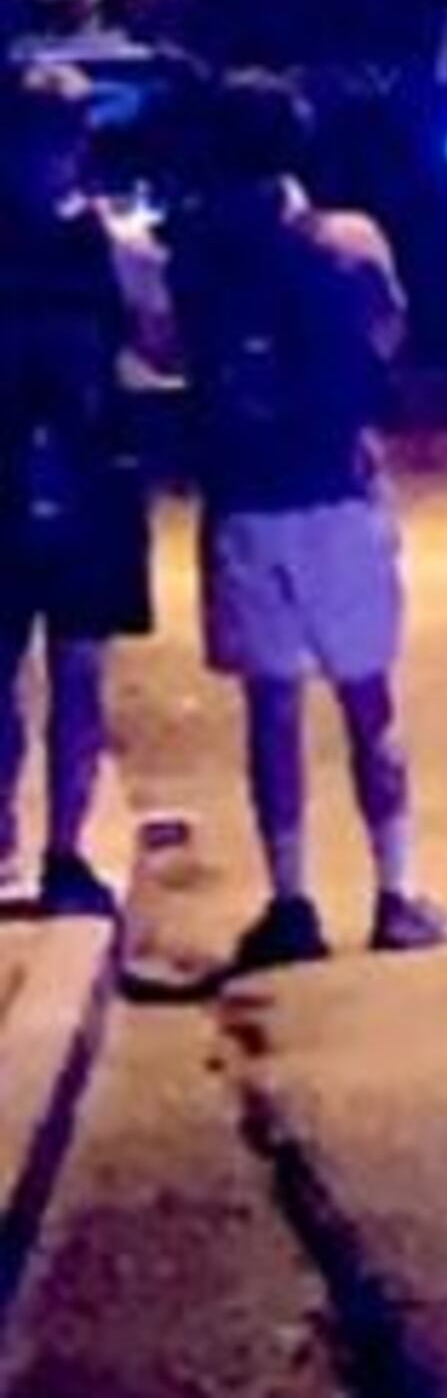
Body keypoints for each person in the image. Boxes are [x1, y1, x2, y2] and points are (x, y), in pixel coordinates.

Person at [165, 77, 447, 971]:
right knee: (369, 700)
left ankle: (292, 899)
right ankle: (396, 891)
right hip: (338, 494)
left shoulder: (194, 253)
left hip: (248, 501)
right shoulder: (350, 242)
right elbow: (388, 334)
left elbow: (168, 349)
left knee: (272, 710)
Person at [0, 71, 155, 918]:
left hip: (88, 472)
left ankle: (63, 847)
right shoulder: (107, 241)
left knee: (80, 674)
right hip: (32, 472)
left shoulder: (111, 242)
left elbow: (158, 339)